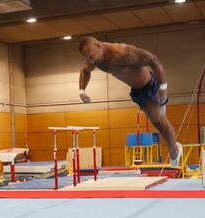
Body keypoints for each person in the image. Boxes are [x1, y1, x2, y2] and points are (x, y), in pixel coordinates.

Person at [78, 36, 182, 166]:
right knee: (158, 122)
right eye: (87, 58)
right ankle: (174, 147)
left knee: (159, 122)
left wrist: (163, 87)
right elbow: (85, 70)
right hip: (137, 91)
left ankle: (174, 151)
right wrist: (82, 90)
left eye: (91, 57)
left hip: (149, 85)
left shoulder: (123, 53)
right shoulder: (94, 58)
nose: (91, 60)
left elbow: (153, 60)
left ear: (98, 45)